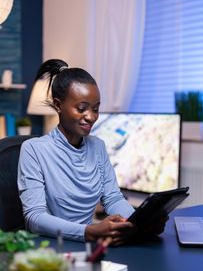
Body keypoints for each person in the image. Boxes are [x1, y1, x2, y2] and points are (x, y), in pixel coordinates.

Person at [18, 59, 167, 245]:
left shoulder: (97, 146)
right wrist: (89, 232)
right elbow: (34, 218)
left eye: (95, 109)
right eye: (81, 109)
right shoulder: (34, 150)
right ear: (58, 105)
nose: (91, 116)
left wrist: (139, 222)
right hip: (51, 248)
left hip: (90, 244)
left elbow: (112, 198)